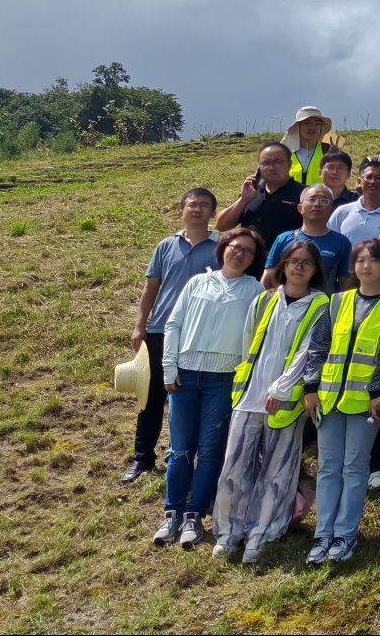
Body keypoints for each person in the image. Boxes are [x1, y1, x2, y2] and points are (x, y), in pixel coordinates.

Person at [212, 239, 331, 563]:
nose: (299, 267)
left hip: (286, 402)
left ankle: (262, 533)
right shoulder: (264, 300)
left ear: (315, 270)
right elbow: (248, 344)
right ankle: (229, 533)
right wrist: (247, 384)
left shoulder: (321, 305)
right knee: (235, 465)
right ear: (283, 265)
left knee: (278, 470)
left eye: (306, 262)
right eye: (293, 261)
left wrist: (281, 389)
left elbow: (310, 352)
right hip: (249, 396)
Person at [153, 228, 261, 548]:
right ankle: (172, 512)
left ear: (254, 259)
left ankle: (194, 515)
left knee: (210, 450)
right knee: (180, 449)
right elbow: (173, 324)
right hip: (185, 376)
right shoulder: (198, 282)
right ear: (223, 247)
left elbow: (255, 338)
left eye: (248, 251)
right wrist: (169, 368)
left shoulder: (255, 290)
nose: (239, 253)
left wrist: (243, 377)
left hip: (224, 379)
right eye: (235, 246)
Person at [309, 239, 380, 565]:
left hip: (367, 403)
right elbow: (318, 347)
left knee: (354, 467)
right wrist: (311, 387)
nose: (366, 265)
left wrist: (379, 392)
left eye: (373, 260)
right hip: (329, 398)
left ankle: (345, 535)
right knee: (328, 468)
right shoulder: (337, 301)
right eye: (360, 260)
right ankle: (322, 534)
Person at [127, 188, 220, 485]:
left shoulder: (220, 247)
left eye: (204, 205)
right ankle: (142, 457)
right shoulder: (166, 246)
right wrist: (140, 325)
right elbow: (150, 288)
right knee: (151, 397)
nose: (197, 209)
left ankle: (180, 456)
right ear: (181, 211)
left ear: (213, 213)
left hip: (198, 335)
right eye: (192, 204)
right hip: (160, 331)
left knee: (186, 398)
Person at [214, 142, 304, 255]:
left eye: (278, 162)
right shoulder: (251, 192)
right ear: (259, 167)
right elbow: (221, 226)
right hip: (249, 258)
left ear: (289, 164)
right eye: (265, 163)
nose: (271, 167)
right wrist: (243, 199)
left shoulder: (304, 193)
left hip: (286, 260)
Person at [264, 184, 353, 291]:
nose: (317, 204)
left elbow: (345, 283)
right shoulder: (283, 239)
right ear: (300, 208)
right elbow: (268, 276)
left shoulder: (341, 242)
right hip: (285, 300)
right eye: (311, 199)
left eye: (324, 201)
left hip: (323, 300)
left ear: (331, 209)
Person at [331, 159, 380, 248]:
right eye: (369, 177)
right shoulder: (342, 212)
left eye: (379, 177)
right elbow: (329, 243)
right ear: (359, 182)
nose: (373, 181)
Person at [283, 106, 334, 186]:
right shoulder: (285, 152)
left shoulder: (328, 151)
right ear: (298, 126)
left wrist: (337, 157)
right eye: (307, 123)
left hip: (320, 194)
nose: (312, 127)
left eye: (317, 123)